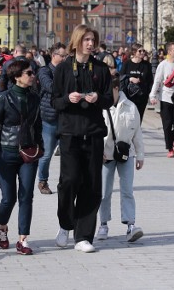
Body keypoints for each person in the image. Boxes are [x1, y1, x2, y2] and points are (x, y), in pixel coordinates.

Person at [52, 24, 113, 253]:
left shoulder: (100, 68)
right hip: (69, 132)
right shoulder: (64, 68)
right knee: (69, 181)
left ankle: (83, 236)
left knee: (92, 184)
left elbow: (109, 99)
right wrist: (68, 98)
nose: (90, 43)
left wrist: (98, 97)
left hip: (94, 132)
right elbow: (54, 102)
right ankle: (65, 224)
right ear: (77, 41)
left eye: (92, 39)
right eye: (86, 39)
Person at [0, 60, 43, 255]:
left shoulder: (35, 98)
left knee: (26, 195)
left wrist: (40, 147)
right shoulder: (4, 97)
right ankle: (2, 228)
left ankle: (23, 240)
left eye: (33, 72)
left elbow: (37, 125)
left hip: (28, 153)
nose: (33, 76)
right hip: (6, 154)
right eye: (29, 73)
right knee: (8, 198)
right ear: (17, 77)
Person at [96, 73, 145, 242]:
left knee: (127, 190)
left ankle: (131, 224)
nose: (107, 96)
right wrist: (97, 151)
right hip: (105, 155)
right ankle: (103, 224)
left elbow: (137, 132)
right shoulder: (101, 107)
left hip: (126, 154)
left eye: (109, 91)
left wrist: (140, 155)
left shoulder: (131, 107)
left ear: (117, 89)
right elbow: (96, 132)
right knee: (103, 192)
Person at [36, 42, 67, 195]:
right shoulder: (44, 71)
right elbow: (49, 86)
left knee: (68, 154)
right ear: (54, 56)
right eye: (63, 55)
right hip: (49, 119)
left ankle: (66, 182)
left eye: (66, 55)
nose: (65, 58)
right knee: (47, 153)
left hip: (65, 119)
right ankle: (42, 181)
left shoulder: (67, 70)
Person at [149, 42, 174, 158]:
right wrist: (152, 96)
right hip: (165, 98)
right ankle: (170, 148)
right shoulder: (163, 65)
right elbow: (157, 80)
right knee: (167, 124)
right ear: (169, 51)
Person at [120, 43, 153, 123]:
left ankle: (136, 134)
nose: (142, 53)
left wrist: (148, 93)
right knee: (129, 117)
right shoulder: (127, 63)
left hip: (142, 96)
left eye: (143, 51)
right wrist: (130, 78)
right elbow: (121, 77)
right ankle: (128, 134)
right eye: (140, 51)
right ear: (134, 52)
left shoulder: (147, 65)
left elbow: (150, 80)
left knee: (139, 118)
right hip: (129, 95)